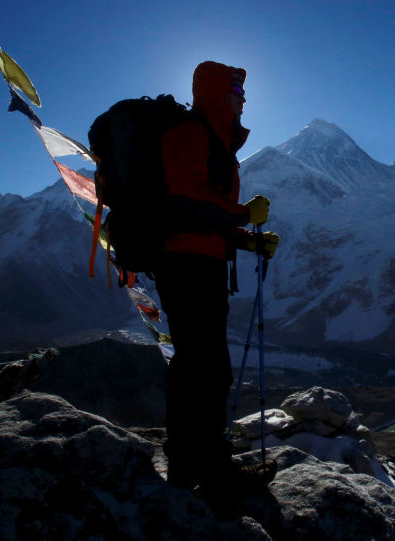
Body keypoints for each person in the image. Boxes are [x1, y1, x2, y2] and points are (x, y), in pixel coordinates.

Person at [154, 60, 279, 494]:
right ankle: (203, 467)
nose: (244, 100)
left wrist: (245, 239)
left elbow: (203, 213)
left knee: (202, 366)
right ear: (219, 94)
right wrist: (244, 214)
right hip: (185, 265)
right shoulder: (190, 134)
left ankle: (195, 464)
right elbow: (186, 204)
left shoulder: (215, 140)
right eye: (238, 92)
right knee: (203, 368)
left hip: (200, 261)